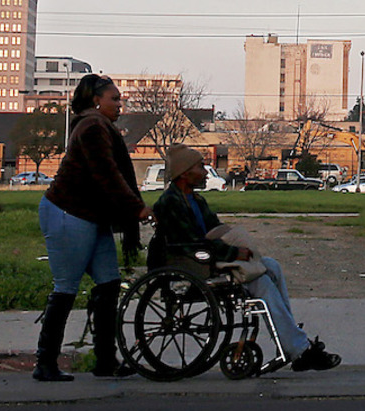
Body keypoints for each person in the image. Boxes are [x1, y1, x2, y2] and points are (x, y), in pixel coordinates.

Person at [150, 144, 340, 372]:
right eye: (200, 167)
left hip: (206, 257)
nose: (205, 171)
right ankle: (299, 348)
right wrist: (234, 252)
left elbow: (215, 231)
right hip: (192, 263)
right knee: (260, 281)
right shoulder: (170, 202)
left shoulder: (197, 201)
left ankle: (291, 338)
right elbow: (191, 244)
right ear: (184, 173)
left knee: (272, 267)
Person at [35, 74, 151, 382]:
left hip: (90, 216)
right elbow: (107, 174)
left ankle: (105, 361)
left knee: (109, 283)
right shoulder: (92, 127)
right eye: (114, 99)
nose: (119, 105)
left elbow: (109, 177)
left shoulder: (98, 126)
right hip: (68, 212)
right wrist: (135, 207)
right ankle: (45, 362)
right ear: (95, 101)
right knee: (66, 287)